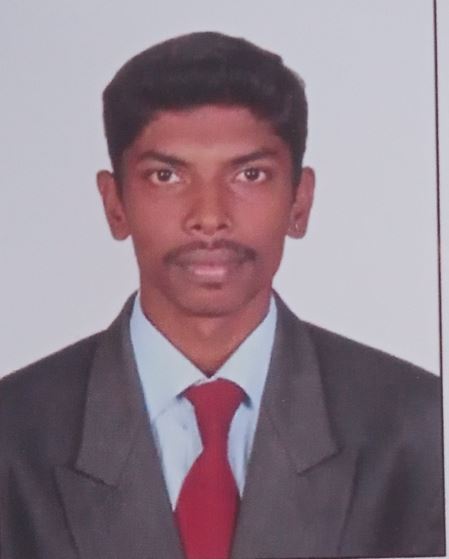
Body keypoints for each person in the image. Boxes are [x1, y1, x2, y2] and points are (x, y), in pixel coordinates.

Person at [0, 32, 444, 559]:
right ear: (114, 203)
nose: (209, 217)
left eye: (250, 174)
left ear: (299, 201)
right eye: (166, 175)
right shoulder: (13, 433)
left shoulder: (422, 427)